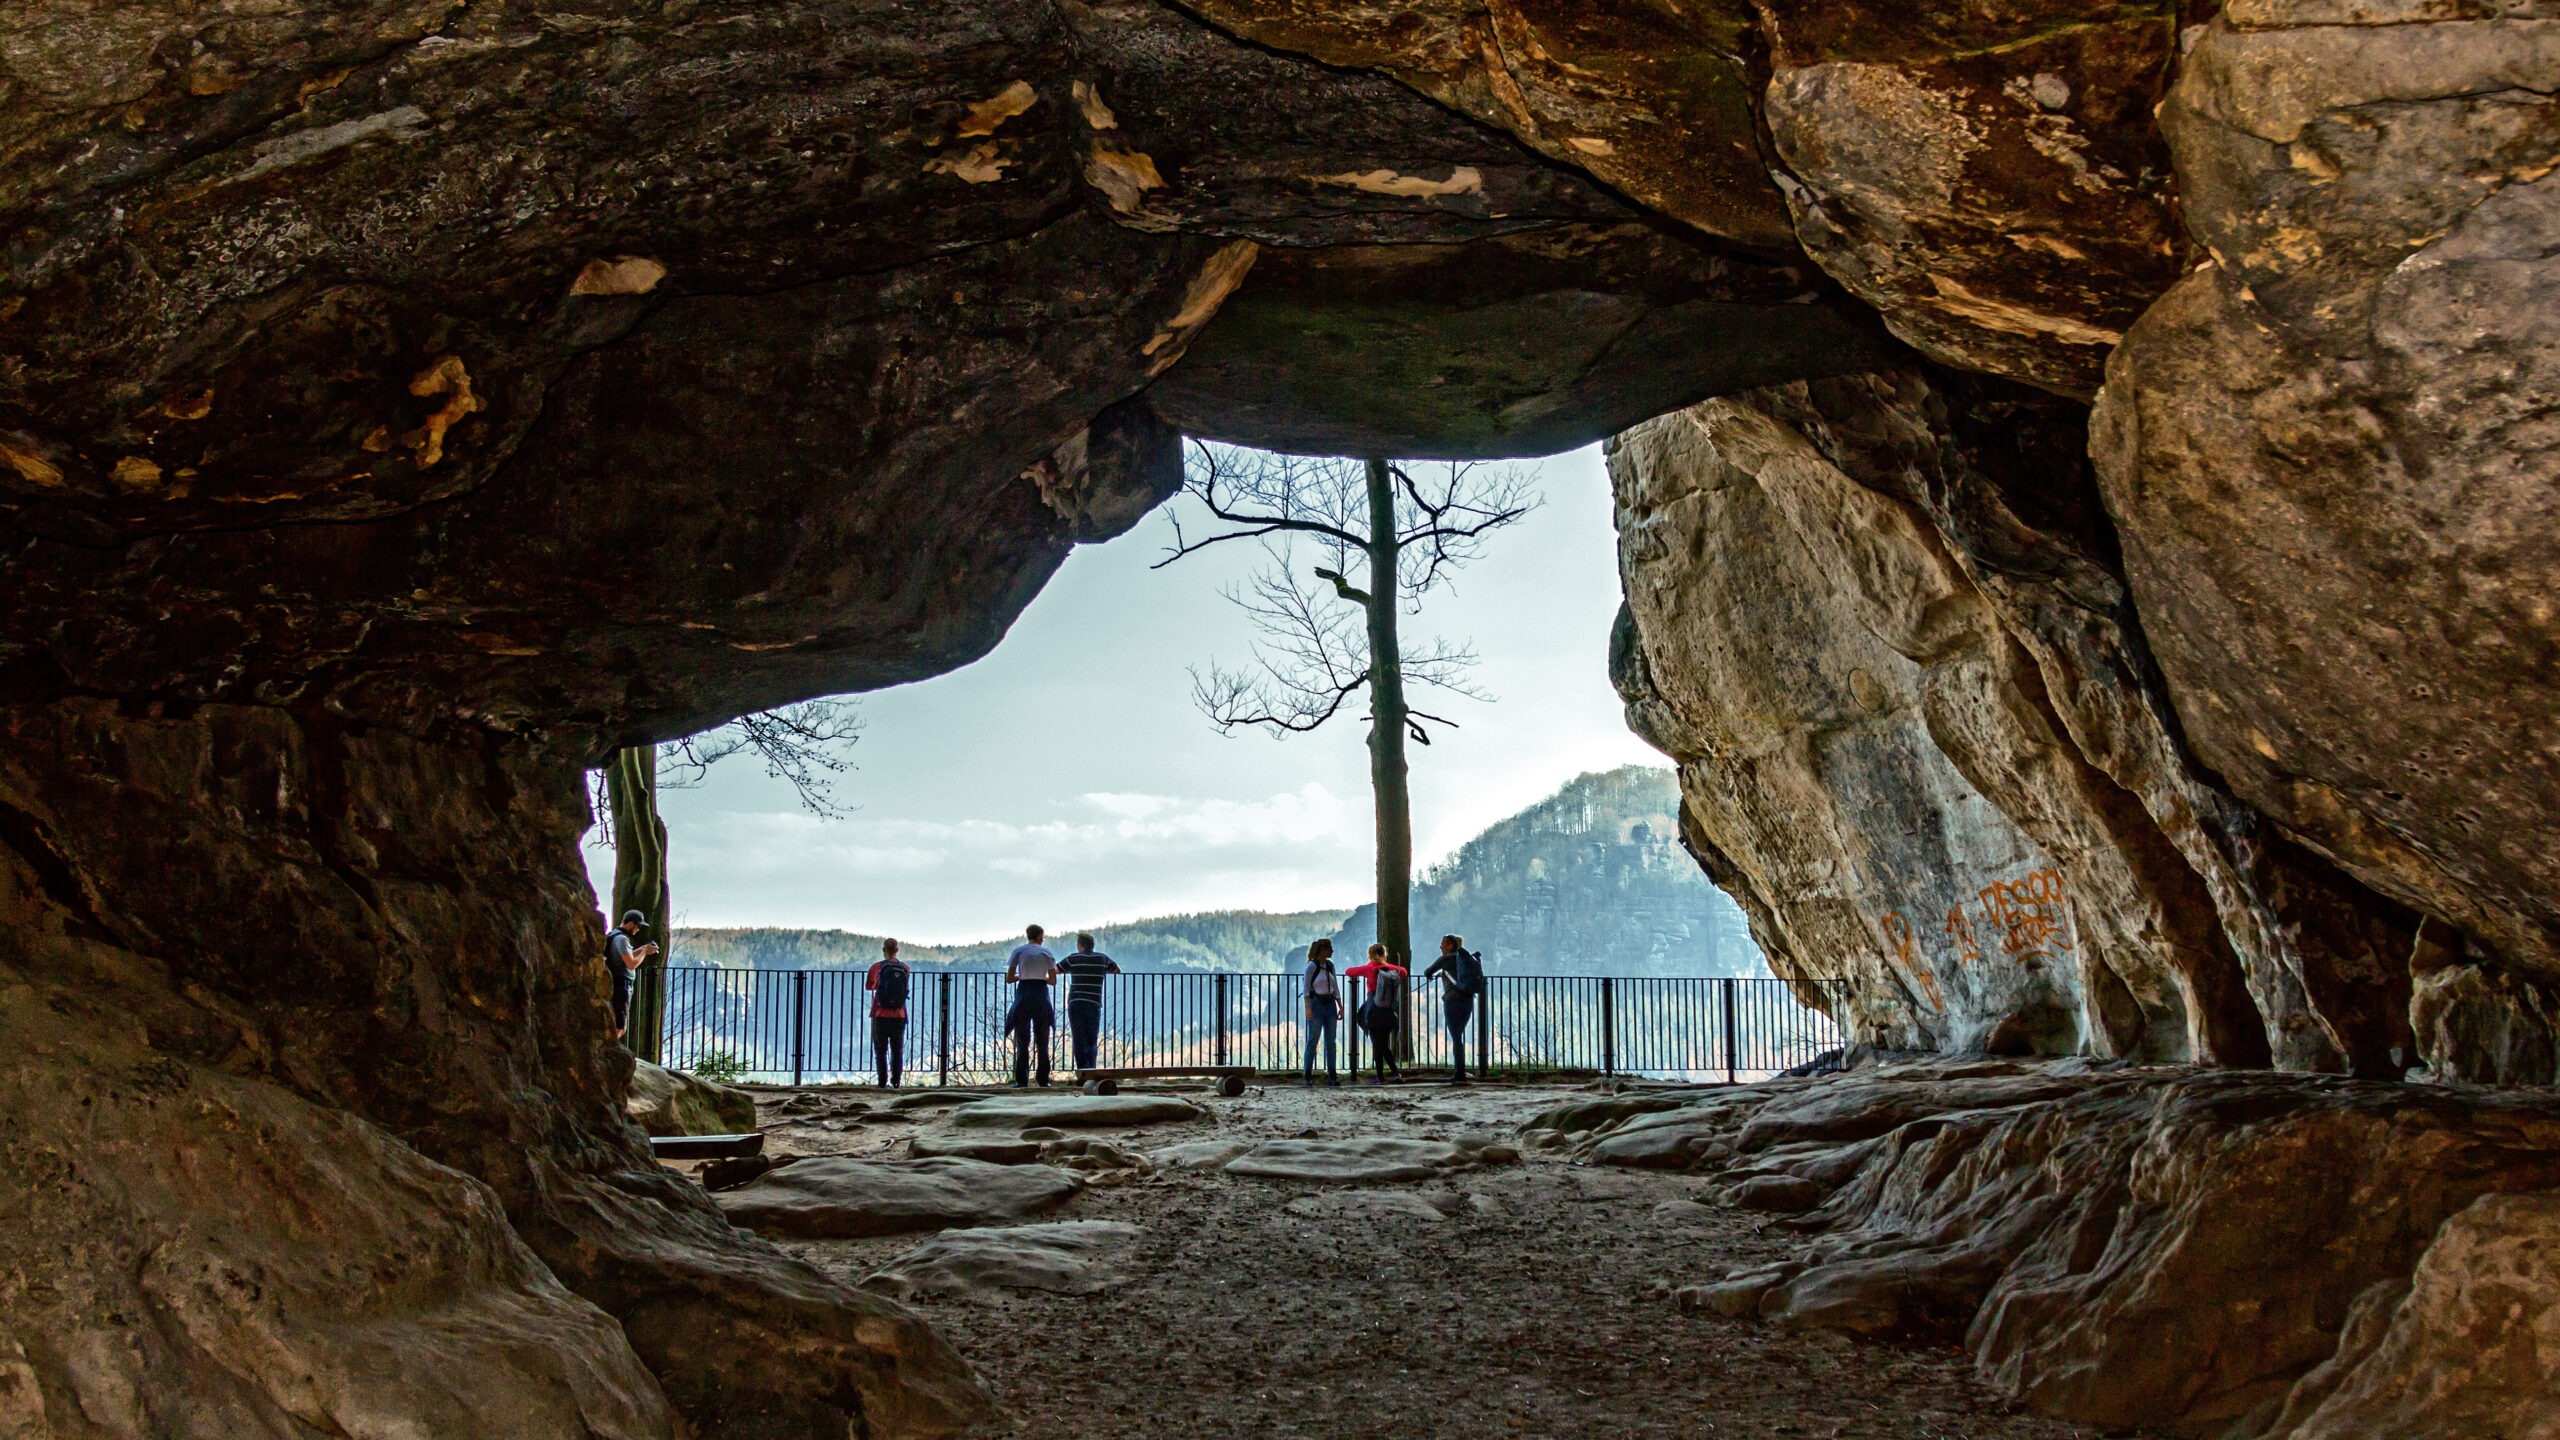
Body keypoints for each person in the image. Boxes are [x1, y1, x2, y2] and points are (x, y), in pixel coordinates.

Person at [1422, 934, 1487, 1083]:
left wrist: (1435, 974)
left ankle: (1460, 1073)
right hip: (1468, 999)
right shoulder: (1465, 960)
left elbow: (1427, 971)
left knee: (1456, 1037)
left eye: (1443, 944)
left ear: (1450, 945)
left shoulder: (1445, 959)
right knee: (1459, 1035)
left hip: (1452, 999)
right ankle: (1461, 1071)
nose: (1441, 947)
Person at [1343, 943, 1409, 1083]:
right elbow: (1403, 972)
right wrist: (1388, 965)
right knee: (1384, 1043)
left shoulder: (1370, 968)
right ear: (1384, 954)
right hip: (1388, 1012)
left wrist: (1373, 965)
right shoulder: (1391, 969)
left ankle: (1380, 1076)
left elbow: (1349, 971)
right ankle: (1395, 1072)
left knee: (1377, 1044)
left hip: (1373, 1011)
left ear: (1371, 954)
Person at [1003, 924, 1060, 1087]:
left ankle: (1021, 1080)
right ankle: (1043, 1080)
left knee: (1023, 1041)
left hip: (1024, 995)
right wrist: (1041, 978)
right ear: (1040, 936)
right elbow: (1053, 981)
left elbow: (1009, 978)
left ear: (1028, 935)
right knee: (1042, 1041)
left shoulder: (1018, 951)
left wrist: (1022, 976)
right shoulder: (1046, 953)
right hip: (1041, 995)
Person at [1058, 932, 1121, 1073]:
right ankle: (1091, 1070)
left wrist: (1073, 971)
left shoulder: (1073, 958)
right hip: (1094, 1002)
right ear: (1093, 946)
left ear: (1080, 946)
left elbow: (1056, 970)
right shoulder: (1102, 959)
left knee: (1078, 1038)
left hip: (1076, 1002)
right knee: (1092, 1038)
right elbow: (1117, 970)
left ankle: (1082, 1071)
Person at [604, 910, 659, 1041]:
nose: (638, 930)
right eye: (638, 926)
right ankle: (607, 1050)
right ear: (630, 924)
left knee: (618, 1024)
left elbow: (625, 957)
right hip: (621, 986)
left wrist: (642, 949)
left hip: (617, 984)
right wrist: (644, 952)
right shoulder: (622, 939)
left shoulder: (614, 935)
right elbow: (631, 964)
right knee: (620, 1027)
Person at [866, 938, 911, 1088]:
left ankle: (882, 1082)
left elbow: (870, 986)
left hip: (880, 1014)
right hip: (899, 1015)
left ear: (883, 949)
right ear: (897, 950)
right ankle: (896, 1081)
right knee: (897, 1050)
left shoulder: (876, 968)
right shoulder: (905, 968)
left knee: (880, 1050)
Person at [1300, 938, 1343, 1085]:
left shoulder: (1330, 966)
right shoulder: (1311, 967)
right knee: (1313, 1040)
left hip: (1330, 1004)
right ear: (1322, 950)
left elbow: (1335, 986)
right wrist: (1308, 1007)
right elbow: (1306, 990)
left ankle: (1332, 1076)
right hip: (1316, 1004)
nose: (1332, 950)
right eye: (1329, 948)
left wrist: (1340, 1006)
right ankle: (1307, 1076)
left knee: (1331, 1042)